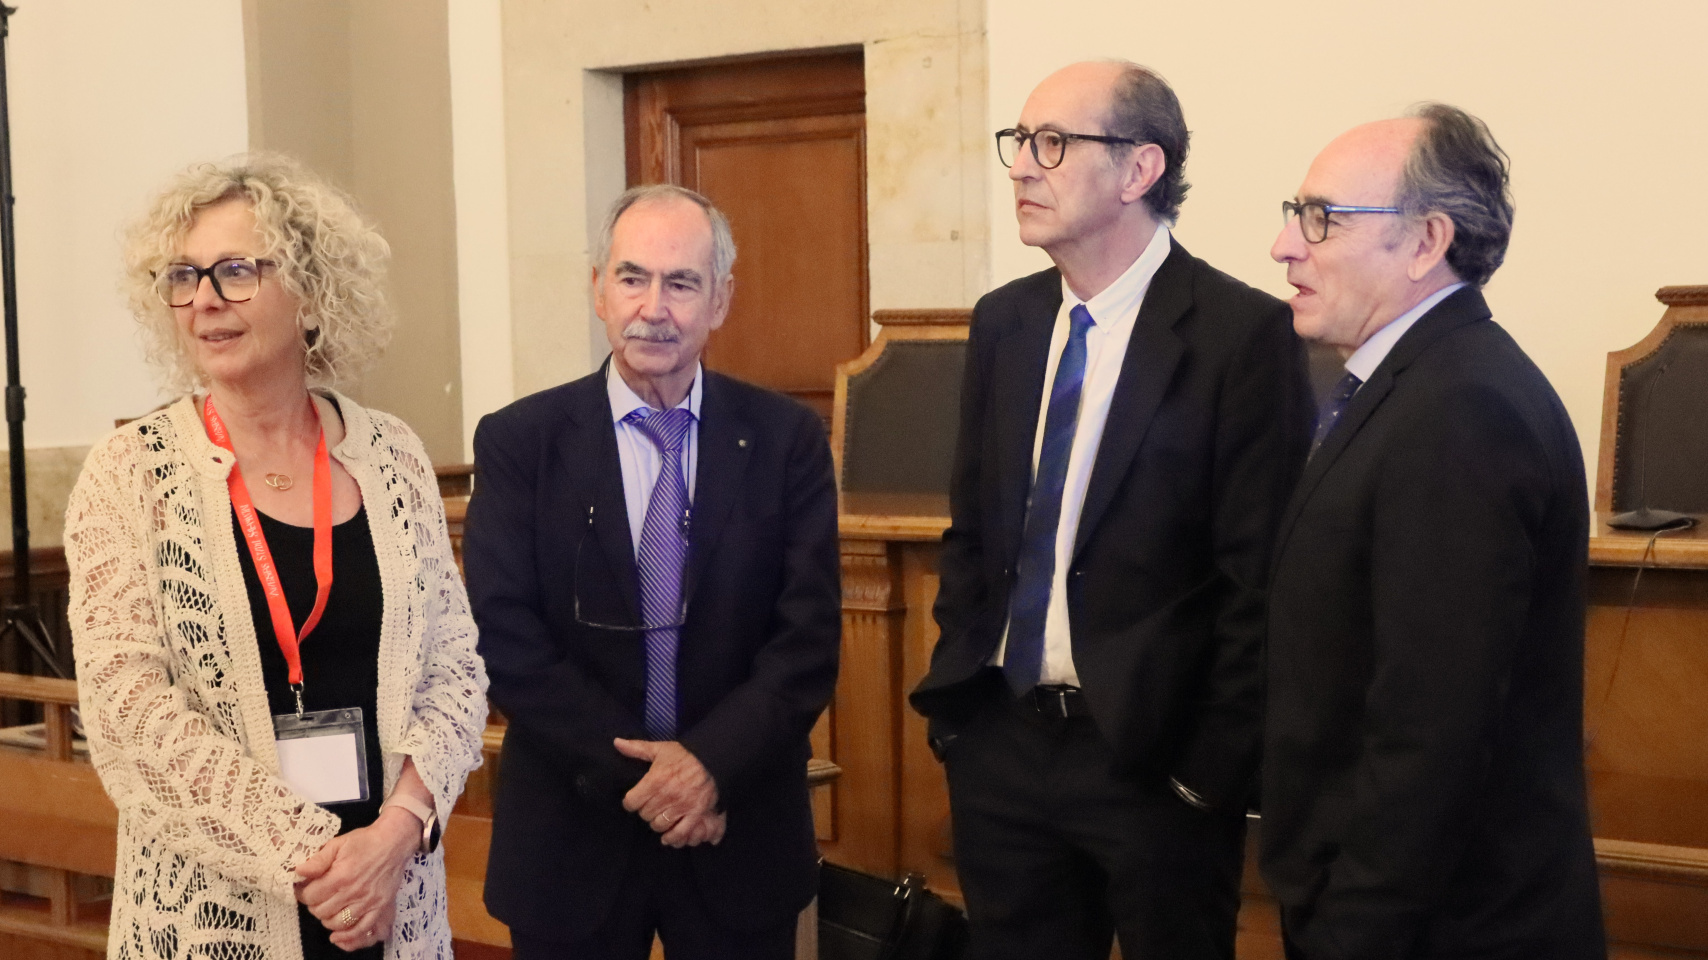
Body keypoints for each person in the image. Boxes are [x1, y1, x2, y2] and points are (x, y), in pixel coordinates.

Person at [909, 61, 1311, 960]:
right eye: (1019, 143)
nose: (1021, 167)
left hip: (1151, 762)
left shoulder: (1241, 336)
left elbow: (1262, 582)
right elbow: (973, 532)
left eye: (1052, 144)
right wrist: (960, 720)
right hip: (1002, 744)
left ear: (1140, 171)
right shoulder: (1004, 322)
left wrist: (1208, 776)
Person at [65, 154, 490, 960]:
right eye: (182, 277)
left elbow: (455, 668)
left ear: (310, 288)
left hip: (390, 897)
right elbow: (128, 708)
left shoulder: (392, 455)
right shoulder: (130, 475)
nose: (205, 302)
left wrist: (397, 833)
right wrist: (321, 861)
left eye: (235, 272)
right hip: (219, 910)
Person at [1261, 105, 1605, 959]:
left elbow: (1431, 732)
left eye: (1322, 219)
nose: (1285, 247)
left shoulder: (1461, 410)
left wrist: (1350, 933)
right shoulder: (1416, 386)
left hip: (1442, 928)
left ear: (1425, 243)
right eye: (1295, 214)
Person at [464, 183, 840, 960]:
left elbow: (805, 643)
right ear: (598, 289)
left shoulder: (786, 440)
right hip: (573, 834)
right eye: (633, 278)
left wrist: (708, 768)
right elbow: (505, 640)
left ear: (721, 300)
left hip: (737, 828)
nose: (654, 307)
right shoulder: (519, 442)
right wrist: (657, 783)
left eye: (682, 283)